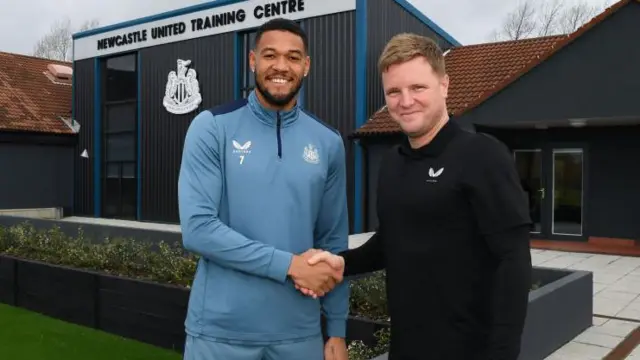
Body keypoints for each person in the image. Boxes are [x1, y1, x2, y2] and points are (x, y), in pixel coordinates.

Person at [302, 33, 533, 360]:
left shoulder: (482, 156)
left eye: (417, 88)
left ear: (444, 85)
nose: (405, 101)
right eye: (394, 91)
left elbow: (514, 263)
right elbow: (391, 240)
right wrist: (342, 262)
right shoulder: (393, 163)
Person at [178, 18, 349, 360]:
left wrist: (337, 331)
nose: (281, 66)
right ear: (253, 60)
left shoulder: (328, 143)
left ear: (307, 66)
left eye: (293, 57)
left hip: (299, 335)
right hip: (220, 333)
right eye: (270, 55)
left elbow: (333, 243)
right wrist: (289, 265)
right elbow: (198, 230)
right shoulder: (212, 127)